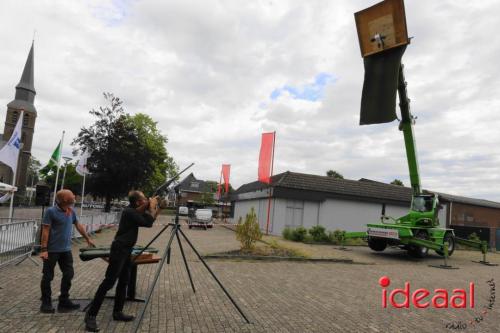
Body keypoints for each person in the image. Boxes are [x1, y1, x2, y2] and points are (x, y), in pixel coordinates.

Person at [85, 190, 160, 332]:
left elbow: (148, 222)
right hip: (119, 249)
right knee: (109, 282)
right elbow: (148, 220)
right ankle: (91, 315)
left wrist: (158, 208)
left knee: (124, 281)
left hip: (126, 250)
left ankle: (117, 312)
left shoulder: (134, 212)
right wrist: (151, 206)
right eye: (144, 199)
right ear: (138, 202)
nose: (146, 201)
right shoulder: (129, 212)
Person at [40, 189, 95, 313]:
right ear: (64, 199)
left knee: (69, 274)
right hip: (52, 250)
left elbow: (78, 225)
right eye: (72, 195)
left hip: (66, 250)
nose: (74, 196)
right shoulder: (51, 211)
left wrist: (87, 238)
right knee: (48, 276)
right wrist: (44, 249)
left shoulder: (71, 211)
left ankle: (64, 300)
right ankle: (46, 302)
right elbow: (45, 230)